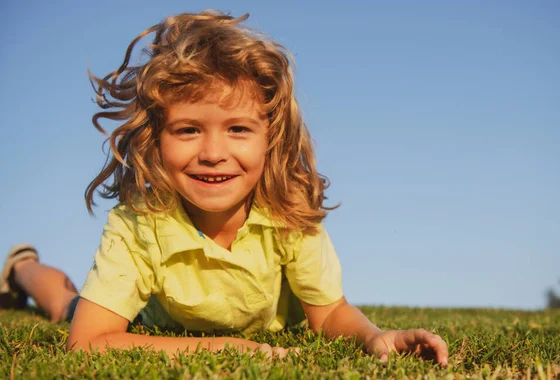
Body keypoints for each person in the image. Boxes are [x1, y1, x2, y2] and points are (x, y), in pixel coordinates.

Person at [0, 10, 448, 365]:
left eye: (237, 129)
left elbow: (328, 313)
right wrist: (224, 349)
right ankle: (21, 268)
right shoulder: (140, 224)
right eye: (188, 130)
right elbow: (88, 343)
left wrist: (373, 337)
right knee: (68, 308)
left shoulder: (289, 214)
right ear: (154, 140)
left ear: (271, 138)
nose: (214, 152)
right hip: (145, 320)